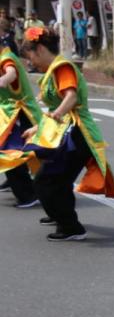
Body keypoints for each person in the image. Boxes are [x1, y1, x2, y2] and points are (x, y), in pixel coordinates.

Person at [19, 27, 114, 241]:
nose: (31, 62)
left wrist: (56, 115)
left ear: (40, 49)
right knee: (57, 180)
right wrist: (38, 128)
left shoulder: (62, 68)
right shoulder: (55, 69)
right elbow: (59, 109)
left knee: (47, 180)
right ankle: (62, 217)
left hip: (78, 133)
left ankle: (69, 225)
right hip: (69, 132)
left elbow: (71, 97)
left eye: (31, 57)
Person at [0, 32, 44, 208]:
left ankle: (28, 194)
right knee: (16, 152)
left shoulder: (6, 59)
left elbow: (10, 73)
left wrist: (3, 80)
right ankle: (21, 185)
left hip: (21, 114)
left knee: (11, 153)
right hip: (12, 114)